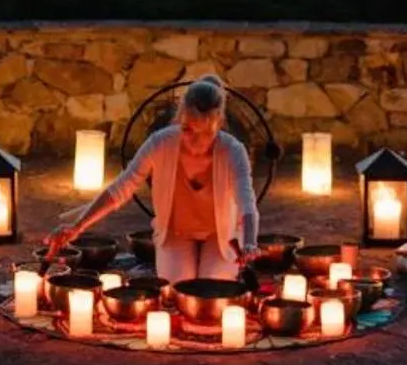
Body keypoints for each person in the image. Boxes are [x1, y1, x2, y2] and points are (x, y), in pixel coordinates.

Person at [45, 73, 259, 282]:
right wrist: (77, 226)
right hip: (176, 233)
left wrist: (249, 243)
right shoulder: (161, 143)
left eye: (204, 134)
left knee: (214, 287)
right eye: (187, 130)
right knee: (179, 289)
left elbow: (247, 204)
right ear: (180, 117)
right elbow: (122, 187)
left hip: (220, 236)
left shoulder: (233, 150)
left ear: (218, 124)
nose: (194, 142)